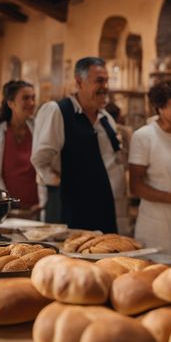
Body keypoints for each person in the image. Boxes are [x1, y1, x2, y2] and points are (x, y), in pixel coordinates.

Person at [31, 57, 128, 234]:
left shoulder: (107, 119)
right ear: (79, 81)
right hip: (71, 210)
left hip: (105, 210)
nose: (105, 86)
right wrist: (64, 184)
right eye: (99, 80)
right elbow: (40, 160)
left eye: (106, 81)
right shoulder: (58, 111)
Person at [129, 79, 171, 256]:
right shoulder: (144, 136)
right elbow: (135, 186)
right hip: (157, 226)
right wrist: (169, 197)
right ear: (160, 106)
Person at [0, 80, 41, 217]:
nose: (32, 103)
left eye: (33, 98)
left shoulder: (37, 129)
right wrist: (10, 208)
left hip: (36, 208)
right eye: (26, 98)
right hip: (9, 210)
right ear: (11, 103)